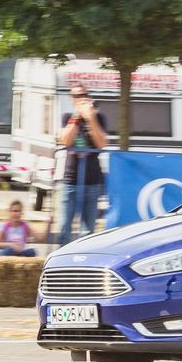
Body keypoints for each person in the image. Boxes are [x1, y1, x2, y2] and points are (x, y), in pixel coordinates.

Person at [58, 83, 108, 246]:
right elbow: (65, 140)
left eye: (84, 95)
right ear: (72, 99)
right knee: (65, 228)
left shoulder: (99, 118)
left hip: (92, 180)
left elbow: (101, 144)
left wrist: (91, 118)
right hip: (71, 180)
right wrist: (77, 117)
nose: (81, 98)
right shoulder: (68, 117)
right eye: (77, 96)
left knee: (88, 231)